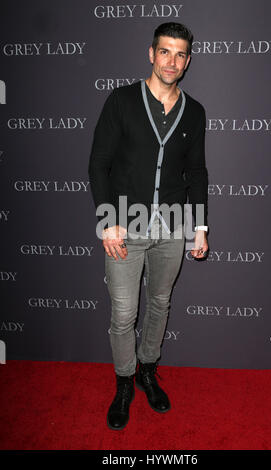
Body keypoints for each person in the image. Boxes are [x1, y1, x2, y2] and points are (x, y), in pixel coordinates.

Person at [88, 22, 209, 430]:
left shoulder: (194, 111)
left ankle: (147, 370)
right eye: (165, 52)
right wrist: (108, 221)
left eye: (180, 54)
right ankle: (124, 381)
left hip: (172, 225)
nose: (172, 61)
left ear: (187, 61)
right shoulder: (121, 100)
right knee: (124, 313)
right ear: (151, 54)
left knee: (159, 303)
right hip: (123, 224)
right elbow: (98, 164)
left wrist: (200, 227)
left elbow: (197, 172)